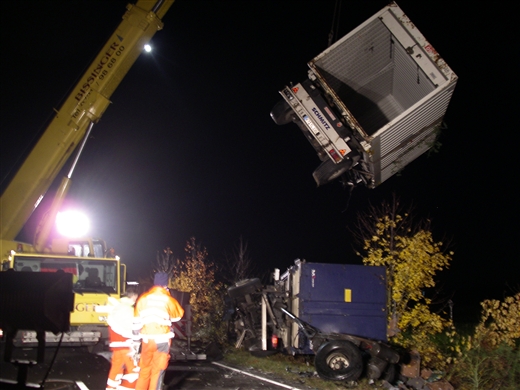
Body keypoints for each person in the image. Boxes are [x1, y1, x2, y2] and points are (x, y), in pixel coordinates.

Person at [133, 273, 184, 390]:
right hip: (162, 340)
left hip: (146, 340)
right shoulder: (168, 299)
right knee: (157, 371)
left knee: (144, 370)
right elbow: (178, 316)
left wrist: (136, 342)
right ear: (166, 285)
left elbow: (136, 322)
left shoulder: (143, 298)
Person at [106, 286, 140, 390]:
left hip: (116, 343)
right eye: (136, 297)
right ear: (133, 296)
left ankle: (110, 387)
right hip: (125, 343)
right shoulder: (128, 309)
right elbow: (131, 327)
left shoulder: (117, 306)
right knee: (133, 370)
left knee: (116, 368)